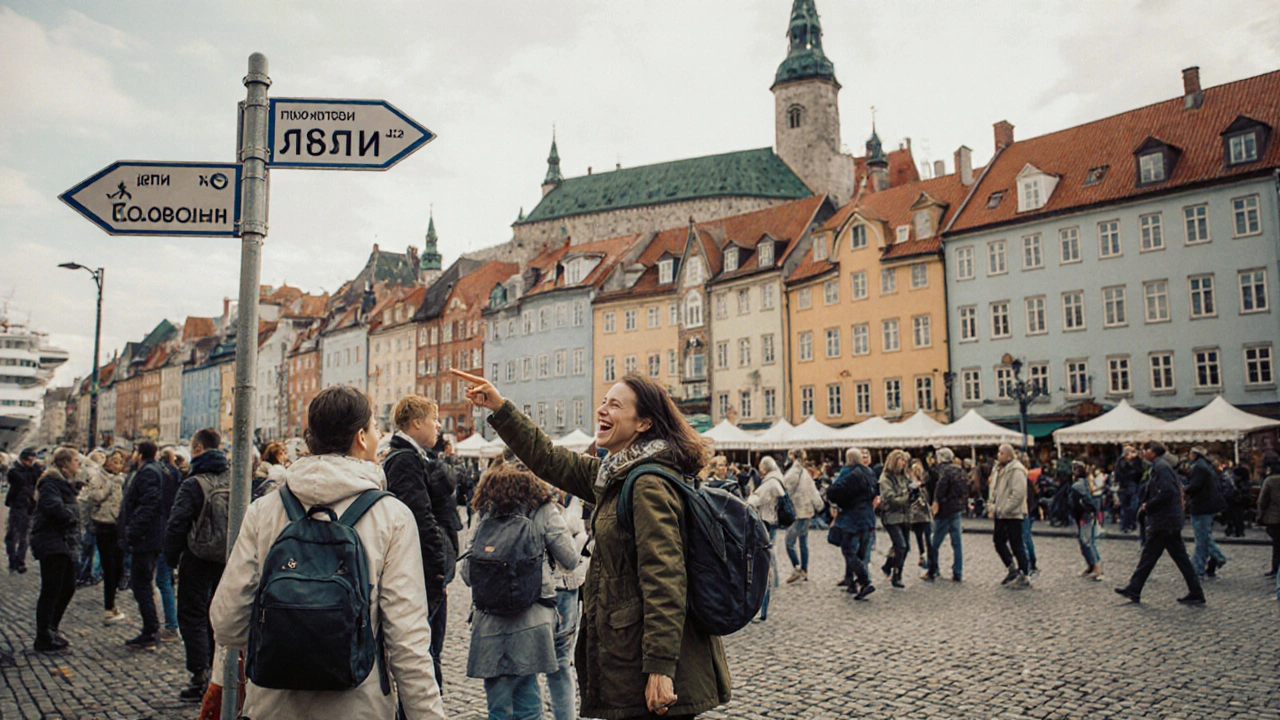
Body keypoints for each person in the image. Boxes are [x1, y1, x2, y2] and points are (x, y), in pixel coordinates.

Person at [454, 367, 731, 719]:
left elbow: (666, 579)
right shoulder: (615, 474)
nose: (602, 410)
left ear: (643, 423)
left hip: (649, 667)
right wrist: (500, 408)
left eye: (614, 405)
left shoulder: (647, 484)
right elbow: (548, 458)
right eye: (603, 401)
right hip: (628, 657)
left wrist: (661, 668)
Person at [210, 385, 446, 719]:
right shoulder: (391, 516)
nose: (380, 436)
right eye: (376, 427)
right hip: (359, 707)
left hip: (272, 706)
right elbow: (408, 642)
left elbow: (226, 623)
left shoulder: (265, 510)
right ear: (361, 437)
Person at [462, 461, 579, 720]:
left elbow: (467, 575)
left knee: (499, 707)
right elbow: (569, 560)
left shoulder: (484, 511)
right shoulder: (543, 509)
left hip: (490, 623)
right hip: (533, 619)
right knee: (528, 703)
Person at [382, 395, 453, 689]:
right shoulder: (406, 459)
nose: (438, 425)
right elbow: (418, 517)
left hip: (425, 572)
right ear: (416, 423)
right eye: (434, 419)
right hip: (423, 574)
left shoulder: (413, 456)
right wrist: (438, 566)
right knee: (426, 656)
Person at [163, 428, 230, 702]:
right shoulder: (234, 479)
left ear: (199, 448)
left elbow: (177, 523)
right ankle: (220, 674)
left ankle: (198, 675)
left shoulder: (193, 483)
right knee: (220, 616)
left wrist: (171, 558)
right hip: (228, 557)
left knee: (192, 616)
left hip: (197, 556)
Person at [1115, 440, 1206, 605]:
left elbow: (1167, 492)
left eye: (1145, 450)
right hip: (1167, 521)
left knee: (1152, 557)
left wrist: (1148, 505)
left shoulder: (1161, 467)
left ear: (1153, 451)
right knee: (1167, 558)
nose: (1142, 453)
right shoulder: (1159, 466)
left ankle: (1134, 589)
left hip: (1164, 521)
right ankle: (1135, 589)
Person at [30, 447, 81, 653]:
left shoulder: (63, 483)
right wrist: (72, 516)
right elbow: (53, 507)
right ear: (64, 464)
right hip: (52, 542)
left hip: (62, 542)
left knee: (67, 586)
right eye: (76, 461)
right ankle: (43, 636)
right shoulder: (51, 483)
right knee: (51, 589)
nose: (79, 464)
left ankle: (52, 628)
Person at [118, 440, 167, 650]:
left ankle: (150, 630)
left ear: (139, 453)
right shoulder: (154, 470)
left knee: (142, 585)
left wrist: (133, 531)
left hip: (146, 539)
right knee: (142, 584)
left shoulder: (149, 472)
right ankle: (150, 628)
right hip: (149, 537)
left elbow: (148, 504)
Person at [547, 487, 588, 720]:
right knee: (561, 662)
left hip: (550, 588)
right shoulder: (549, 510)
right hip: (562, 586)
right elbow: (570, 558)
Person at [82, 450, 128, 625]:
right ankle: (109, 606)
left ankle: (113, 599)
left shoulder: (122, 479)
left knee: (118, 567)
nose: (117, 465)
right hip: (103, 526)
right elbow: (96, 496)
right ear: (107, 463)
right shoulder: (98, 478)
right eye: (114, 461)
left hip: (118, 527)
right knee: (109, 567)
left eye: (119, 462)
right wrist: (110, 484)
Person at [826, 448, 878, 600]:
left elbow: (834, 491)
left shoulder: (849, 473)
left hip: (852, 518)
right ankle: (856, 582)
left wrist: (841, 502)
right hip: (868, 516)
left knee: (848, 550)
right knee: (861, 552)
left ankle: (864, 581)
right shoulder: (869, 472)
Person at [746, 455, 785, 621]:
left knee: (763, 562)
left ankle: (762, 608)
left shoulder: (769, 483)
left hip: (766, 522)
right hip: (773, 522)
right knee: (769, 556)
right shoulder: (778, 479)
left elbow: (752, 502)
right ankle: (774, 580)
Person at [989, 444, 1031, 588]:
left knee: (1016, 543)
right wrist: (993, 506)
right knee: (998, 541)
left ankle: (1025, 574)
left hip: (1013, 514)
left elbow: (1018, 493)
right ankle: (1011, 567)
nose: (998, 455)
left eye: (1001, 452)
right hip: (1001, 513)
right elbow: (994, 489)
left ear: (1008, 455)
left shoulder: (1016, 470)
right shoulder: (998, 469)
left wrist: (1006, 509)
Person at [923, 448, 965, 582]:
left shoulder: (943, 471)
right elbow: (964, 488)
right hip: (956, 509)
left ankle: (932, 569)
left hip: (944, 511)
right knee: (957, 543)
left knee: (934, 542)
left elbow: (940, 488)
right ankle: (958, 571)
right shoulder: (959, 469)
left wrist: (936, 501)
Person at [1185, 447, 1228, 577]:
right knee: (1203, 536)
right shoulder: (1206, 465)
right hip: (1208, 505)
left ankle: (1214, 558)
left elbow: (1195, 486)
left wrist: (1184, 489)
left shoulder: (1198, 467)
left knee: (1202, 537)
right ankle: (1199, 566)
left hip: (1201, 506)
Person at [155, 447, 183, 641]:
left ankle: (172, 625)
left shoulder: (163, 478)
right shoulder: (178, 477)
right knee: (166, 580)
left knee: (164, 580)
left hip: (165, 532)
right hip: (171, 532)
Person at [782, 449, 823, 583]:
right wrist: (819, 505)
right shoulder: (805, 472)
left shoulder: (794, 472)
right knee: (803, 542)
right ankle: (804, 570)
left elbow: (784, 489)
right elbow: (813, 491)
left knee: (789, 542)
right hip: (807, 511)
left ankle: (797, 567)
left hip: (798, 512)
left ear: (793, 457)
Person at [878, 449, 912, 589]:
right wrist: (907, 497)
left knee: (905, 546)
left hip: (905, 516)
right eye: (901, 460)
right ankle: (896, 575)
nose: (904, 463)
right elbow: (891, 499)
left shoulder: (904, 477)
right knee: (901, 545)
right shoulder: (885, 479)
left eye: (905, 460)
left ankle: (888, 566)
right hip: (891, 516)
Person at [6, 447, 41, 574]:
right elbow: (21, 481)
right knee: (13, 534)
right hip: (17, 505)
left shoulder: (32, 470)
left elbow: (35, 480)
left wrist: (34, 468)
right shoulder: (15, 471)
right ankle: (13, 559)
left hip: (29, 505)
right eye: (29, 460)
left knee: (24, 535)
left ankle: (20, 561)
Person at [1071, 466, 1103, 581]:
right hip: (1087, 514)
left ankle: (1096, 567)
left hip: (1085, 515)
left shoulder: (1078, 486)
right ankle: (1091, 565)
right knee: (1086, 541)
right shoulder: (1084, 483)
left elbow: (1079, 502)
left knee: (1087, 542)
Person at [1255, 452, 1280, 580]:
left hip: (1274, 518)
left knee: (1277, 545)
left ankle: (1276, 569)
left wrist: (1260, 515)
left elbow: (1262, 500)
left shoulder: (1269, 480)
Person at [907, 458, 933, 570]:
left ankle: (923, 556)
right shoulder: (924, 484)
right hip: (925, 514)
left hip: (915, 515)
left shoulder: (911, 485)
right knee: (928, 536)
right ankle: (929, 558)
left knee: (919, 537)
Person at [1114, 446, 1144, 533]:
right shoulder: (1120, 462)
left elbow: (1140, 471)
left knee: (1132, 506)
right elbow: (1118, 473)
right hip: (1124, 486)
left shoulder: (1136, 461)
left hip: (1133, 485)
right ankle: (1125, 525)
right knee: (1124, 506)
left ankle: (1131, 523)